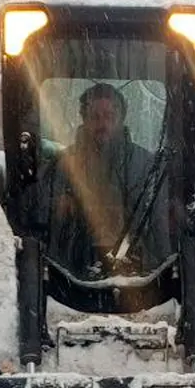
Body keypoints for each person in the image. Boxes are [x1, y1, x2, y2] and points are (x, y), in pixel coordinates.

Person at [45, 83, 167, 279]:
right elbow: (47, 222)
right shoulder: (62, 166)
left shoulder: (146, 165)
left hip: (139, 273)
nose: (103, 124)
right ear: (84, 119)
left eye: (110, 116)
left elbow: (159, 225)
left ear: (121, 119)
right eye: (95, 117)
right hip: (70, 271)